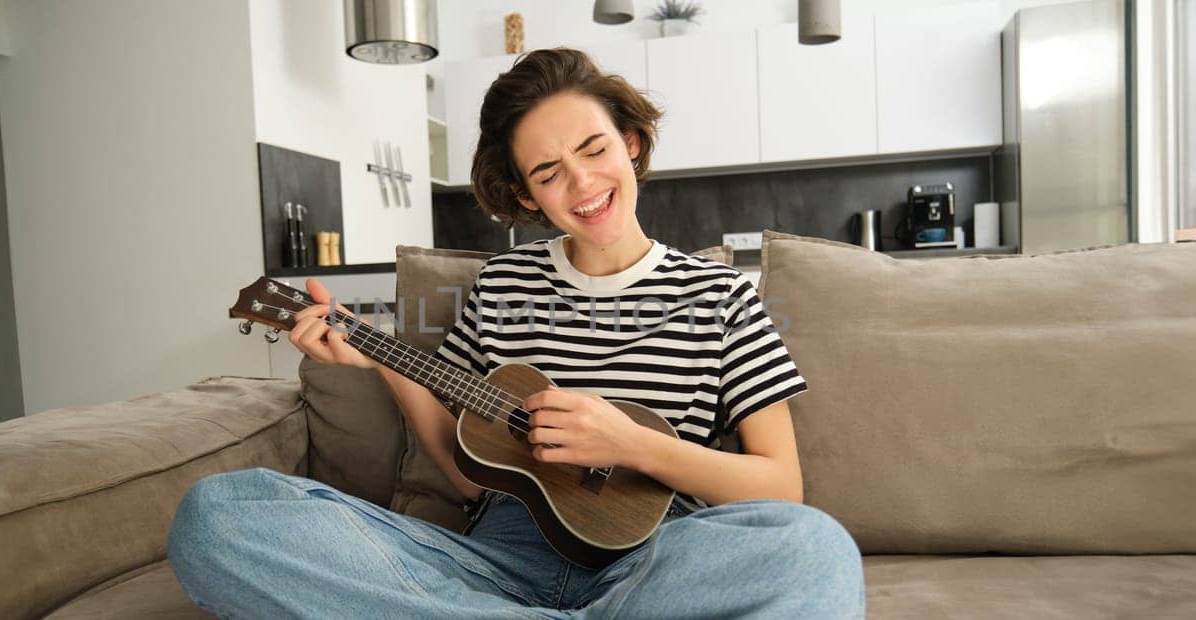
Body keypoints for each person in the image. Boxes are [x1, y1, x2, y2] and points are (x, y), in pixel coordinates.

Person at [167, 48, 865, 618]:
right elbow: (468, 475)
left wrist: (633, 444)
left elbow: (781, 490)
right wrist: (380, 360)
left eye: (595, 149)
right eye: (548, 173)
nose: (582, 183)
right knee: (216, 517)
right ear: (527, 195)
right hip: (492, 564)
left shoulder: (722, 296)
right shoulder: (502, 286)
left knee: (814, 549)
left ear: (630, 142)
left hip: (657, 569)